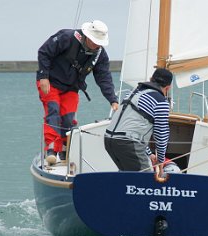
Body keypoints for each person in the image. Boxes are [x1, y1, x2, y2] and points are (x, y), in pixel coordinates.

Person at [36, 20, 119, 165]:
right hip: (50, 83)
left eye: (98, 42)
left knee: (69, 118)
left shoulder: (100, 55)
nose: (96, 44)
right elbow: (44, 52)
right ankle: (51, 149)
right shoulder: (66, 37)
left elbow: (103, 77)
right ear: (87, 36)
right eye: (94, 40)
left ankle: (64, 149)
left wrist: (112, 99)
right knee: (53, 111)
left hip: (71, 87)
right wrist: (43, 76)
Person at [104, 68, 173, 176]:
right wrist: (160, 161)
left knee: (128, 177)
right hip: (127, 143)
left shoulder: (133, 93)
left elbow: (133, 128)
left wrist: (149, 154)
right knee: (145, 180)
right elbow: (161, 134)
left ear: (151, 79)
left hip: (109, 140)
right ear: (168, 88)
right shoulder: (161, 101)